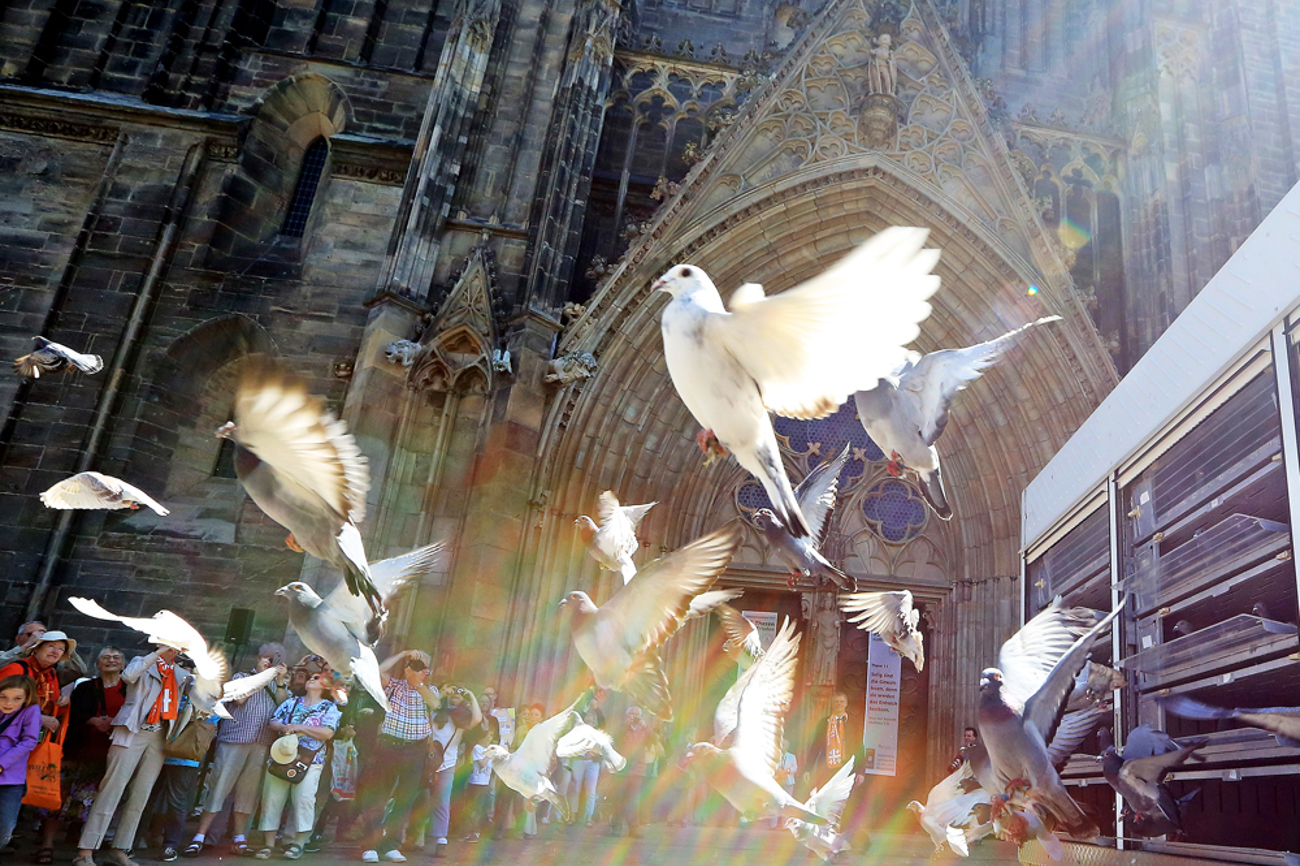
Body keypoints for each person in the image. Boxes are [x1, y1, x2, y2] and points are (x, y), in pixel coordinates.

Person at [76, 641, 192, 866]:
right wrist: (158, 653)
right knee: (111, 790)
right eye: (168, 642)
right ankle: (85, 851)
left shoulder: (180, 673)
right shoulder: (142, 662)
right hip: (131, 731)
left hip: (159, 736)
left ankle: (120, 849)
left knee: (140, 795)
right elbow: (128, 676)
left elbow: (203, 695)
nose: (172, 647)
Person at [185, 644, 288, 857]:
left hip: (262, 743)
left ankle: (240, 838)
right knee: (218, 787)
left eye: (274, 660)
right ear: (258, 658)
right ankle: (200, 836)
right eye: (267, 658)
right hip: (235, 740)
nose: (270, 663)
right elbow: (239, 697)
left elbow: (282, 708)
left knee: (248, 794)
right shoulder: (242, 676)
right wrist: (262, 677)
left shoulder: (279, 684)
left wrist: (278, 681)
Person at [35, 647, 128, 864]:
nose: (111, 661)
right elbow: (74, 710)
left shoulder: (131, 689)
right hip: (76, 749)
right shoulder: (85, 686)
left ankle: (83, 850)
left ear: (124, 665)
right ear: (97, 663)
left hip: (107, 754)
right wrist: (92, 720)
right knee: (57, 798)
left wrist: (113, 722)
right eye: (106, 657)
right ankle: (47, 844)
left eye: (116, 658)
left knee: (91, 802)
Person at [356, 650, 438, 863]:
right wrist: (403, 655)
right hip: (389, 746)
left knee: (405, 799)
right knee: (378, 797)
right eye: (415, 665)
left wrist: (417, 682)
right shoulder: (394, 685)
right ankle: (371, 845)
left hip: (416, 750)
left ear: (427, 671)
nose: (418, 669)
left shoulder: (430, 689)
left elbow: (435, 704)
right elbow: (376, 670)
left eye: (423, 667)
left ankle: (391, 845)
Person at [255, 671, 340, 860]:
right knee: (272, 799)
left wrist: (299, 727)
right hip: (282, 755)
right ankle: (268, 844)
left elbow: (327, 733)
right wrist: (283, 727)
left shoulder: (329, 707)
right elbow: (274, 721)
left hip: (310, 760)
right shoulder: (292, 702)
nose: (312, 677)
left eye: (317, 677)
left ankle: (298, 843)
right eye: (312, 676)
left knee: (304, 801)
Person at [426, 682, 481, 857]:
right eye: (453, 692)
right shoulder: (436, 711)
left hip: (447, 764)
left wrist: (470, 695)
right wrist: (442, 694)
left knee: (442, 801)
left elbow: (478, 719)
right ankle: (411, 835)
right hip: (426, 761)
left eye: (458, 693)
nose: (455, 695)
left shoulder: (462, 718)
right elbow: (426, 709)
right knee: (418, 799)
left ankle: (441, 839)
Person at [0, 629, 75, 739]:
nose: (55, 651)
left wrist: (64, 702)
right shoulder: (16, 669)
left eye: (61, 649)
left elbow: (53, 709)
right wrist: (38, 718)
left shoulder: (51, 675)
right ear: (37, 648)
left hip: (29, 737)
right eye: (51, 646)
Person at [0, 675, 41, 855]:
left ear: (26, 698)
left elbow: (29, 741)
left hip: (11, 777)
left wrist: (2, 764)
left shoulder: (31, 711)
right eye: (3, 697)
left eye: (17, 699)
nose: (9, 703)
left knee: (5, 829)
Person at [803, 692, 863, 791]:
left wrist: (861, 771)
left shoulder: (854, 722)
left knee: (844, 800)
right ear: (832, 704)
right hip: (827, 767)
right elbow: (815, 747)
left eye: (841, 701)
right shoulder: (824, 723)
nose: (839, 704)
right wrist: (808, 769)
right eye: (836, 702)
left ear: (846, 703)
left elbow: (860, 747)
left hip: (846, 767)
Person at [567, 698, 607, 827]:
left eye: (592, 720)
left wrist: (595, 753)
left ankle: (588, 817)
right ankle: (572, 815)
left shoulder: (599, 733)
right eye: (588, 719)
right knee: (575, 789)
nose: (590, 721)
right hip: (579, 760)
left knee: (591, 790)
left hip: (593, 762)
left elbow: (603, 724)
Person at [614, 706, 653, 838]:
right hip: (623, 768)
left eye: (637, 714)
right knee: (619, 798)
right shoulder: (623, 728)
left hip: (637, 768)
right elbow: (616, 740)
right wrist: (626, 725)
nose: (635, 716)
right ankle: (616, 826)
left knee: (633, 799)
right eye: (632, 714)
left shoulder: (644, 729)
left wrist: (646, 727)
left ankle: (633, 828)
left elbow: (652, 741)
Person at [771, 738, 798, 829]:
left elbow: (795, 768)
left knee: (788, 803)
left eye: (785, 745)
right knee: (775, 802)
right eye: (782, 745)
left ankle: (784, 825)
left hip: (788, 781)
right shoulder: (774, 756)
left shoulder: (791, 756)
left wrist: (787, 771)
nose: (783, 747)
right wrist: (778, 772)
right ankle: (773, 825)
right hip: (777, 781)